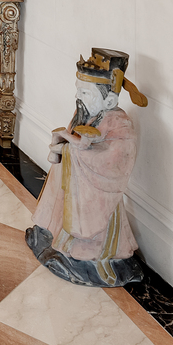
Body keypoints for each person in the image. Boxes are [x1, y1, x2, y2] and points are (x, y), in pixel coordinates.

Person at [26, 48, 149, 287]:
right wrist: (64, 145)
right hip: (74, 184)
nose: (78, 97)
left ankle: (92, 259)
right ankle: (58, 239)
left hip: (96, 194)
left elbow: (113, 161)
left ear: (109, 100)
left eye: (85, 92)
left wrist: (75, 148)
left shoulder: (120, 124)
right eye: (77, 90)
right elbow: (75, 138)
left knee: (91, 236)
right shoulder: (84, 113)